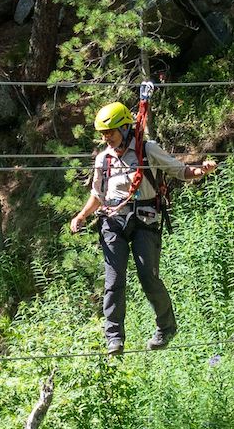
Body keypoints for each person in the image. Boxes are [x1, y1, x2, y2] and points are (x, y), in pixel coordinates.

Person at [67, 94, 209, 354]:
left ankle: (166, 328)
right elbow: (98, 196)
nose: (106, 138)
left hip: (145, 219)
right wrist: (82, 216)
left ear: (124, 127)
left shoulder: (148, 149)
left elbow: (180, 171)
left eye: (110, 132)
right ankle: (114, 338)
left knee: (148, 277)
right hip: (113, 221)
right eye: (103, 133)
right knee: (114, 280)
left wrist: (200, 171)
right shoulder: (103, 159)